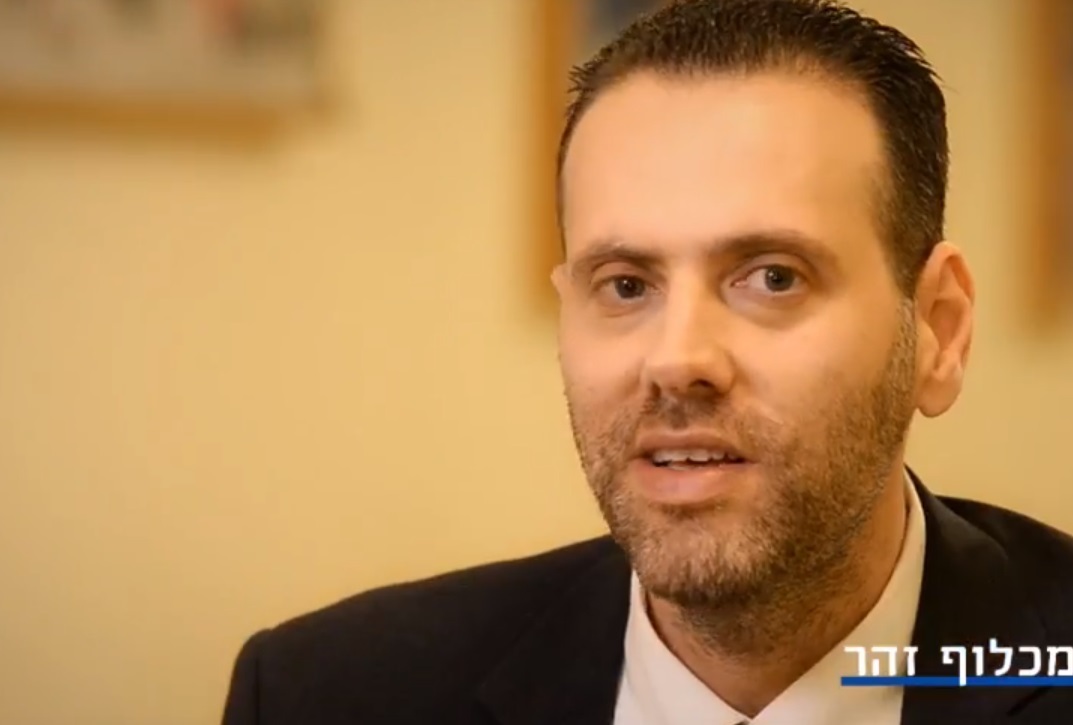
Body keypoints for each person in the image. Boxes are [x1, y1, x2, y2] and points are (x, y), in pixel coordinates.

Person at [221, 1, 1073, 723]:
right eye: (625, 285)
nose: (676, 360)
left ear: (937, 332)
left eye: (772, 277)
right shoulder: (328, 695)